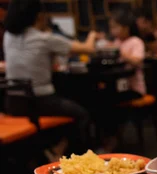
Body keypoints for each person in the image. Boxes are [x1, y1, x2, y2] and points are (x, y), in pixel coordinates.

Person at [3, 0, 97, 159]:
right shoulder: (44, 39)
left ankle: (53, 149)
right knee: (82, 114)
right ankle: (67, 157)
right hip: (38, 102)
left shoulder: (8, 36)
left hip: (12, 103)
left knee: (66, 105)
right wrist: (93, 34)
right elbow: (88, 49)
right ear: (38, 16)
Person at [109, 8, 146, 100]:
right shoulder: (117, 41)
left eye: (115, 27)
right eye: (111, 27)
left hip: (134, 89)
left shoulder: (136, 41)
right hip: (119, 86)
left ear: (126, 28)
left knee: (110, 98)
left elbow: (137, 61)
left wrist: (118, 52)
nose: (112, 31)